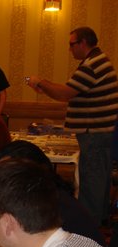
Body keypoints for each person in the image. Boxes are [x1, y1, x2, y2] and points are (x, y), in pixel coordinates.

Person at [27, 26, 118, 225]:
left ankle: (88, 225)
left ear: (83, 43)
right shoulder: (99, 60)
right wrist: (45, 87)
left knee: (92, 180)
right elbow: (70, 91)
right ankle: (99, 220)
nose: (70, 49)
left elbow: (65, 93)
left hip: (94, 133)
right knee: (99, 177)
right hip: (101, 132)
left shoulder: (91, 65)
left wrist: (39, 81)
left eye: (72, 44)